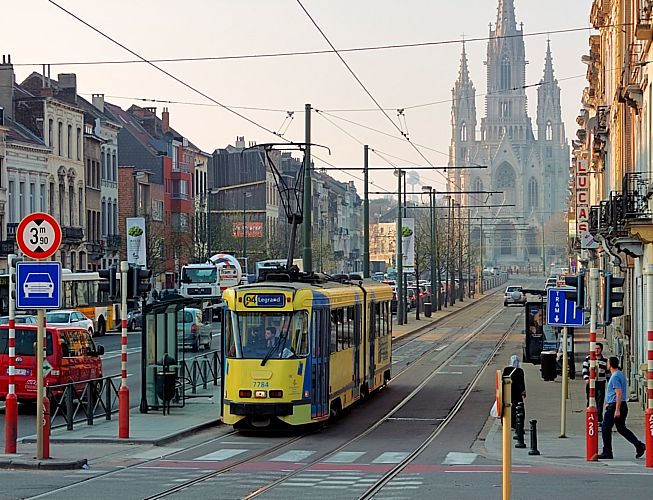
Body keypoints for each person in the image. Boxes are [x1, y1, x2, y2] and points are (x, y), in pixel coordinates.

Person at [598, 357, 646, 460]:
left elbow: (618, 393)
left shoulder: (615, 377)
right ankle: (639, 445)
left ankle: (607, 451)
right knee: (621, 428)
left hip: (616, 406)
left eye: (607, 363)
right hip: (617, 404)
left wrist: (617, 409)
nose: (606, 364)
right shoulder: (620, 374)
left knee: (606, 428)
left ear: (610, 364)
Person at [581, 342, 608, 422]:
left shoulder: (605, 361)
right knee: (590, 400)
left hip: (600, 383)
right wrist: (586, 378)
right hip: (590, 383)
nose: (596, 350)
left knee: (600, 401)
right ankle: (590, 417)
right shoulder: (588, 358)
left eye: (598, 349)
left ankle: (599, 419)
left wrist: (610, 384)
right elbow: (584, 369)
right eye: (595, 348)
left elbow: (608, 373)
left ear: (601, 350)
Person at [502, 355, 526, 428]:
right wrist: (523, 392)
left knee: (507, 407)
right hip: (517, 393)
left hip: (507, 392)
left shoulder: (506, 369)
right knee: (518, 407)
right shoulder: (520, 371)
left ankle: (506, 422)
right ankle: (517, 424)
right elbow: (522, 382)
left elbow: (502, 380)